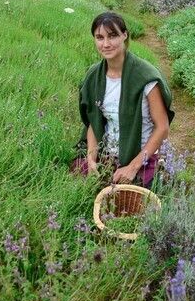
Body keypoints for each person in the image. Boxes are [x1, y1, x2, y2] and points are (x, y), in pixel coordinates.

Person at [73, 12, 174, 188]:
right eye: (99, 37)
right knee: (83, 180)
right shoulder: (94, 76)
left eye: (112, 36)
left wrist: (132, 167)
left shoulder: (145, 77)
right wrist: (91, 159)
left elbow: (162, 128)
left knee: (134, 195)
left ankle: (150, 172)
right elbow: (93, 123)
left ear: (124, 35)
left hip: (141, 154)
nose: (106, 44)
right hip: (108, 151)